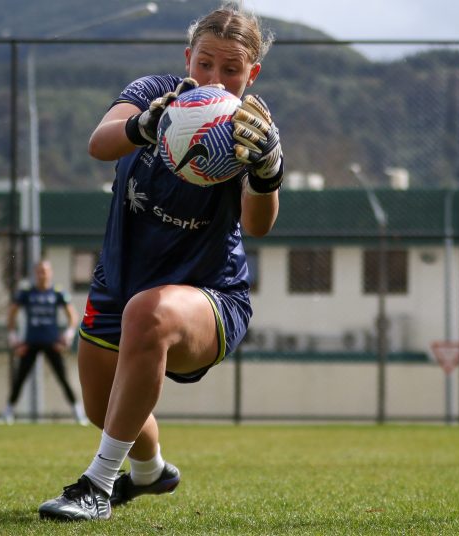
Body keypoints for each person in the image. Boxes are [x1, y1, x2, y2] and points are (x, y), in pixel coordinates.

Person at [38, 4, 283, 522]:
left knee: (149, 314)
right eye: (205, 63)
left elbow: (258, 225)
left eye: (231, 69)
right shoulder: (153, 93)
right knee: (102, 408)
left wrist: (267, 172)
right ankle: (150, 471)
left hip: (210, 298)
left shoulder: (250, 128)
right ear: (187, 57)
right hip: (118, 283)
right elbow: (100, 143)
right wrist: (146, 125)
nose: (214, 78)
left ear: (252, 73)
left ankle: (97, 486)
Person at [4, 259, 88, 426]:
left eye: (45, 271)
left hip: (52, 343)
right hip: (30, 343)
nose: (42, 274)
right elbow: (12, 313)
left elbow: (72, 316)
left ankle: (78, 414)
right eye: (40, 271)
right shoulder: (27, 292)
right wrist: (13, 338)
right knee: (19, 379)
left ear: (50, 273)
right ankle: (8, 413)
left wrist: (68, 335)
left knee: (63, 378)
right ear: (35, 273)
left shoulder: (57, 292)